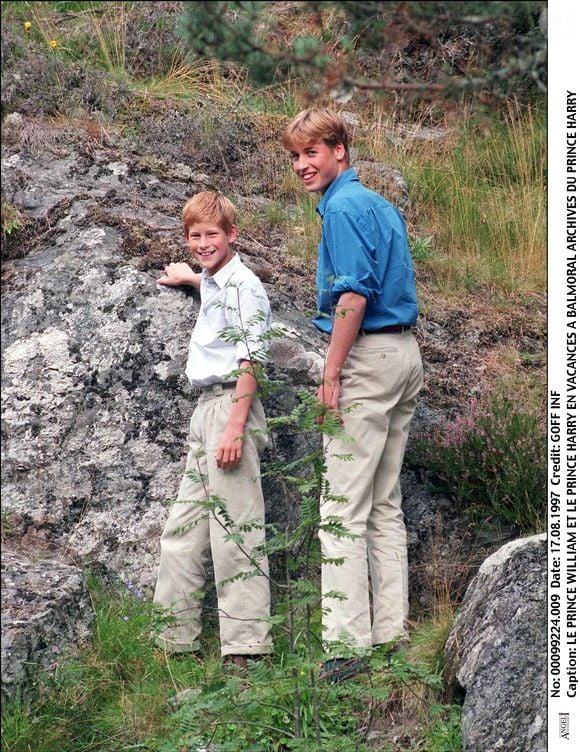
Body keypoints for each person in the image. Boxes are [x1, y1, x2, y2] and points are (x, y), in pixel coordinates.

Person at [281, 108, 424, 681]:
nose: (301, 165)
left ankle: (345, 649)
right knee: (383, 504)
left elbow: (353, 299)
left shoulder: (341, 207)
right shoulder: (379, 204)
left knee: (342, 506)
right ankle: (391, 633)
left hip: (368, 358)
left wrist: (332, 373)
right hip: (406, 354)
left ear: (340, 151)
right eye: (295, 156)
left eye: (312, 152)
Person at [153, 191, 273, 667]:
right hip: (205, 410)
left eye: (212, 235)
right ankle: (172, 640)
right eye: (195, 236)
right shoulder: (217, 281)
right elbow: (212, 287)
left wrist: (236, 429)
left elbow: (252, 358)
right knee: (182, 531)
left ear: (232, 235)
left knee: (235, 531)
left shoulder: (245, 285)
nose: (203, 243)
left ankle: (246, 650)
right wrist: (191, 277)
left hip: (231, 405)